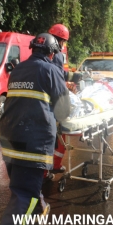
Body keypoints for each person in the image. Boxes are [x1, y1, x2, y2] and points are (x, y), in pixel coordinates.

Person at [0, 33, 70, 225]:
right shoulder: (51, 70)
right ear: (52, 53)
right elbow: (64, 111)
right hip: (33, 143)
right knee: (23, 195)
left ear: (32, 49)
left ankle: (41, 209)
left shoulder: (18, 69)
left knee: (23, 185)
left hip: (10, 140)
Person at [46, 23, 81, 176]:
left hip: (40, 102)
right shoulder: (58, 55)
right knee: (56, 135)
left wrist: (68, 79)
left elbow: (57, 76)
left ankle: (49, 168)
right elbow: (58, 81)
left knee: (49, 138)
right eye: (64, 42)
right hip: (52, 104)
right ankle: (49, 169)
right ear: (60, 41)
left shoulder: (42, 53)